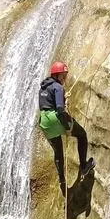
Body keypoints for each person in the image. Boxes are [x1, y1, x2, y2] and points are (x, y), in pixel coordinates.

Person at [39, 61, 95, 195]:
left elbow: (47, 104)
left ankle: (62, 180)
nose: (65, 79)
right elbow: (59, 109)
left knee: (58, 152)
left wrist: (63, 100)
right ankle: (84, 166)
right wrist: (66, 126)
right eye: (63, 76)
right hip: (56, 118)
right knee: (82, 135)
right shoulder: (58, 87)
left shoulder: (43, 88)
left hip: (44, 122)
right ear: (57, 75)